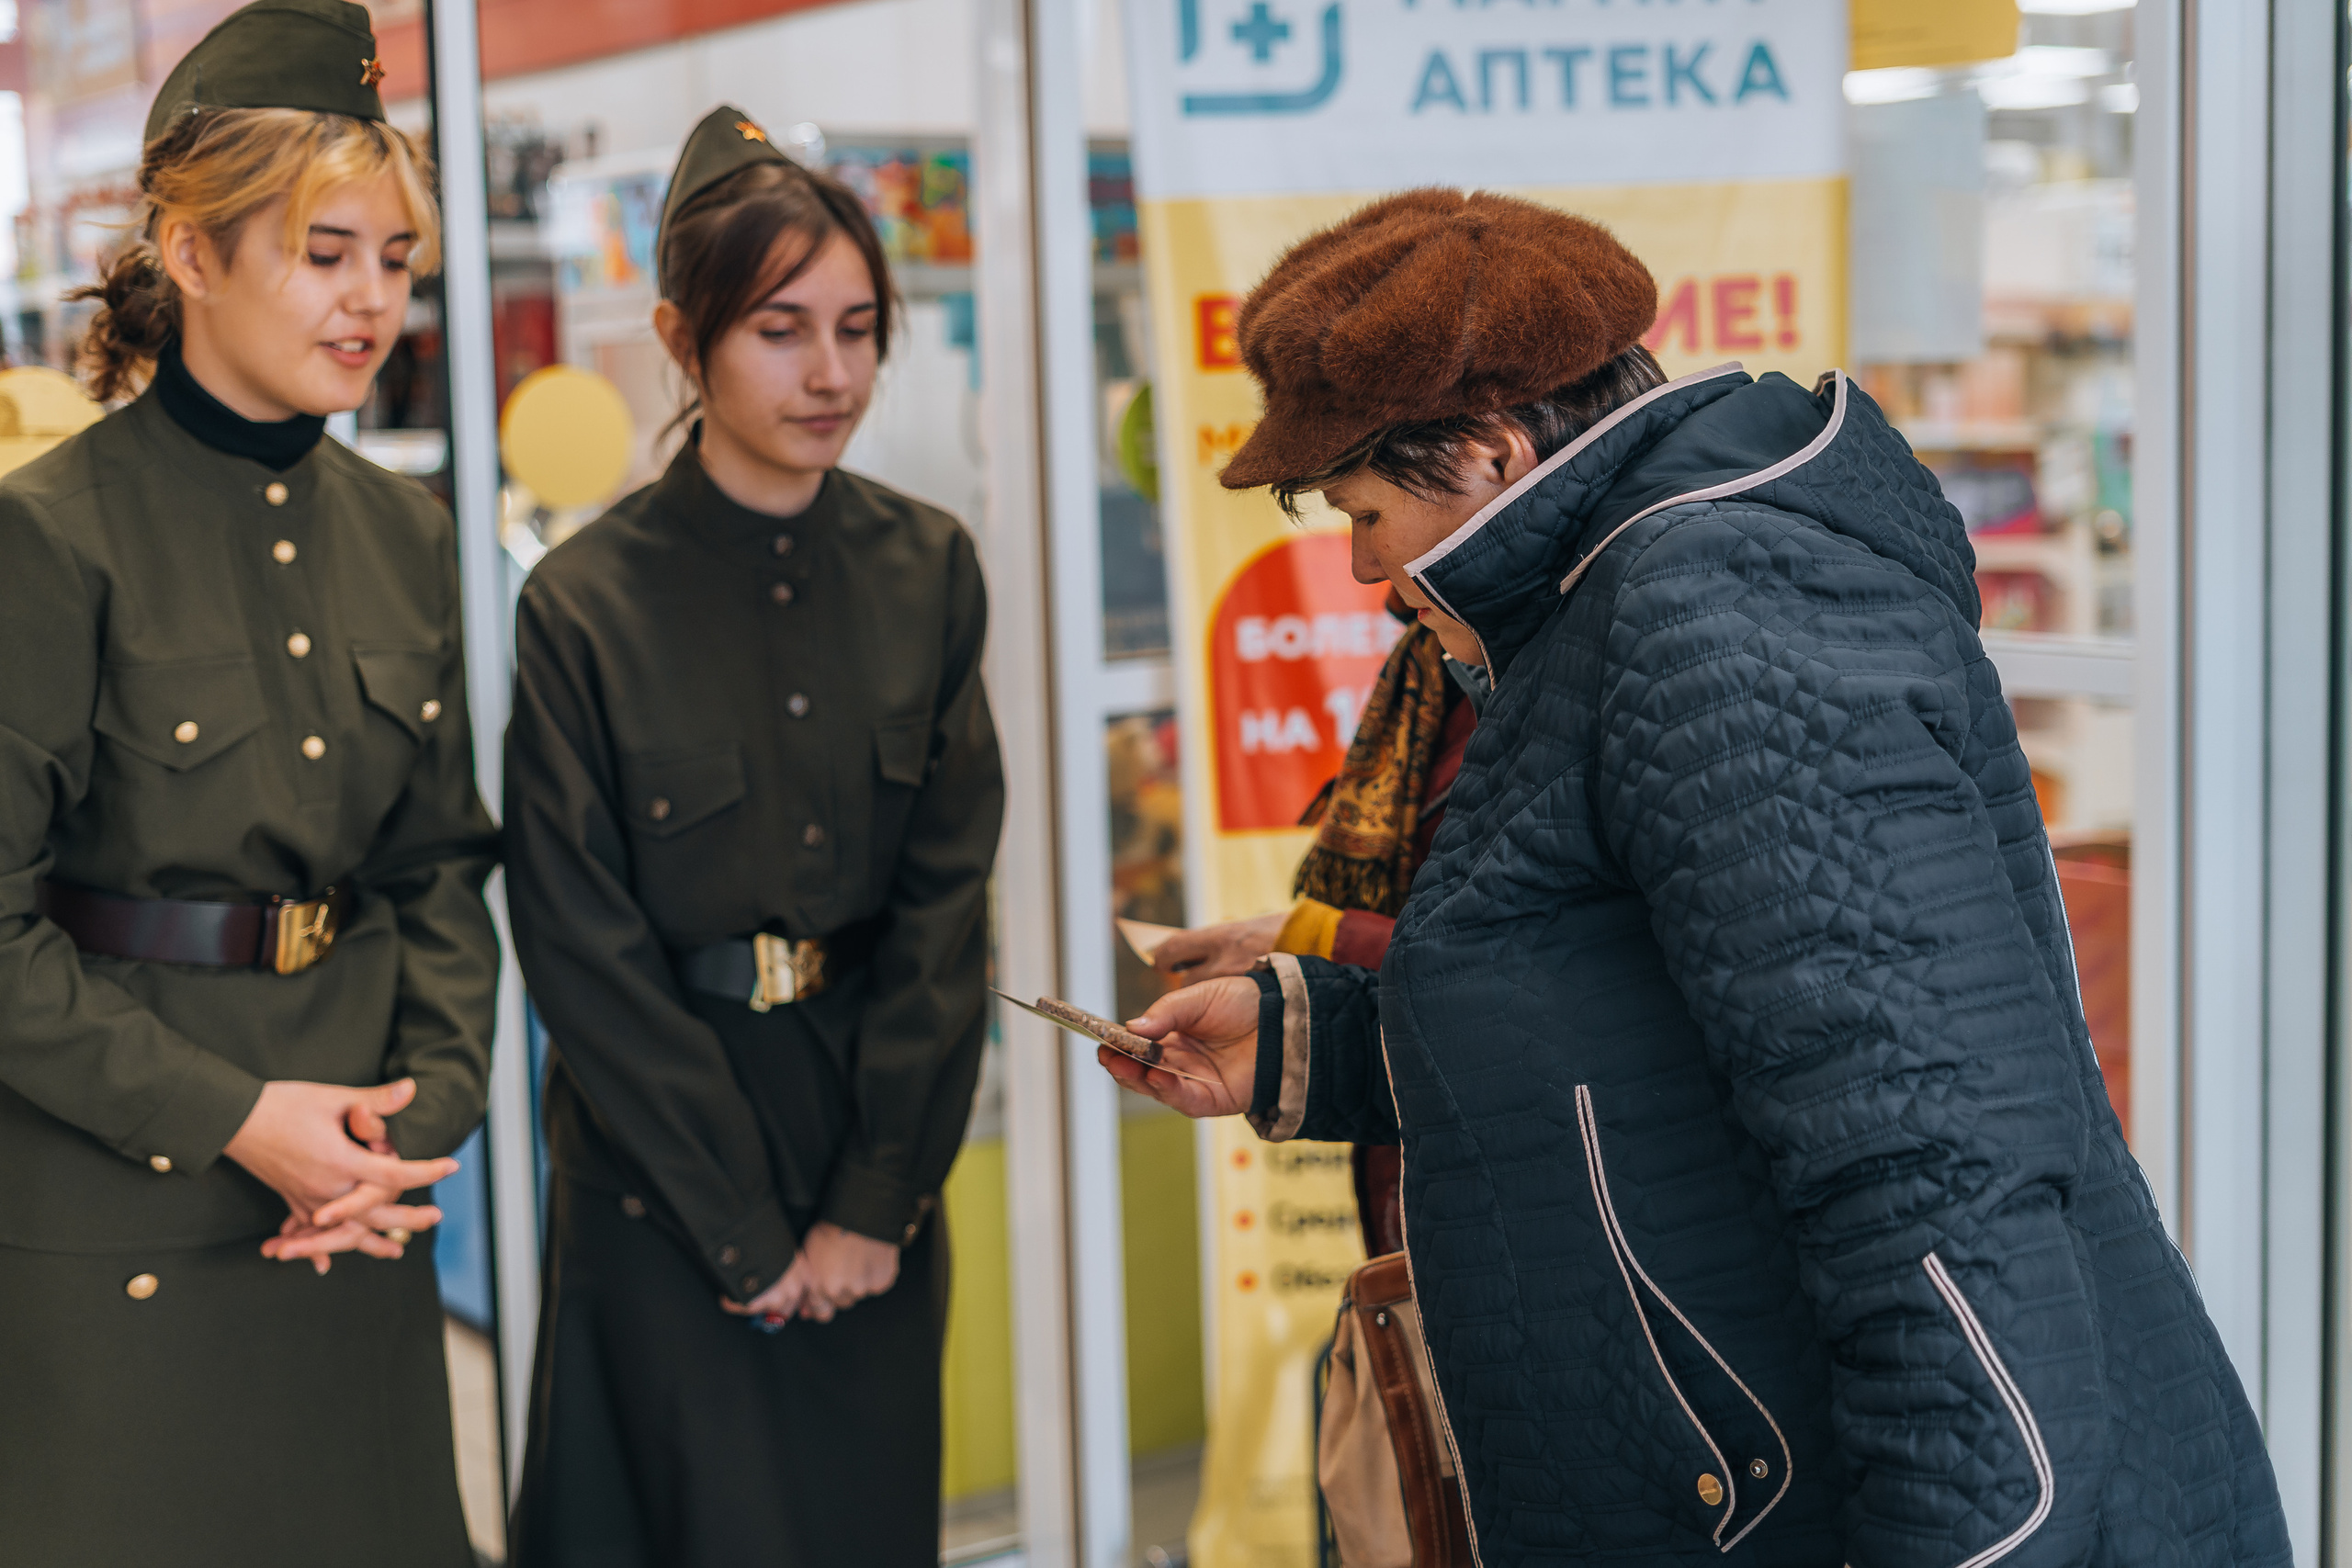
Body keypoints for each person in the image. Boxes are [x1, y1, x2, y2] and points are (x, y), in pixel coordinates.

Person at [1102, 189, 2290, 1567]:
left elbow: (1926, 1157)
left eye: (1369, 512)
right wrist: (1315, 1036)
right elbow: (1646, 1033)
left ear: (1490, 452)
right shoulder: (1603, 615)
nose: (1368, 569)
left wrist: (1969, 1542)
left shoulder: (1712, 610)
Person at [0, 4, 498, 1562]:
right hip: (121, 1200)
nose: (370, 301)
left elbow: (440, 873)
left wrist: (427, 1109)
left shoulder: (408, 532)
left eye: (396, 258)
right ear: (194, 255)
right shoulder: (52, 534)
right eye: (325, 249)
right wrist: (236, 1118)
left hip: (355, 1195)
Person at [503, 105, 1004, 1568]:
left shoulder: (928, 569)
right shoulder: (585, 605)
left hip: (871, 1145)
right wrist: (744, 1232)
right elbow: (578, 944)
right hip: (659, 1178)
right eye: (782, 329)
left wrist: (872, 1202)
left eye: (858, 326)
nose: (831, 371)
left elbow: (945, 904)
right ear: (681, 334)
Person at [1149, 587, 1485, 1255]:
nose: (1366, 568)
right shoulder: (1430, 665)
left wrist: (1314, 942)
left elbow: (1520, 976)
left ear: (1502, 472)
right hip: (1437, 1180)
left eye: (1367, 511)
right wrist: (1281, 1036)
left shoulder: (1516, 674)